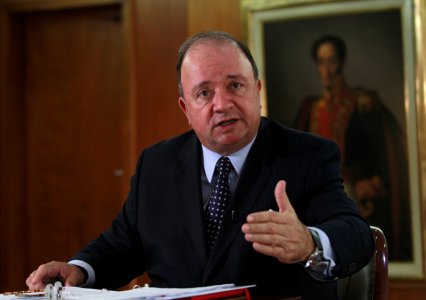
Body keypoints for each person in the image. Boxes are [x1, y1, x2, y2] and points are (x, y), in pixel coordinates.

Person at [26, 31, 374, 299]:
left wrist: (309, 244)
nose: (222, 104)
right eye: (204, 93)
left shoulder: (306, 155)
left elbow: (356, 236)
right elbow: (122, 245)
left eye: (235, 85)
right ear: (185, 108)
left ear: (257, 90)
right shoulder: (157, 164)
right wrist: (77, 270)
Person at [294, 34, 411, 260]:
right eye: (321, 62)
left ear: (342, 62)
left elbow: (388, 157)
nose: (326, 70)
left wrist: (372, 183)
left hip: (356, 199)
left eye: (332, 61)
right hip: (315, 203)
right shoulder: (309, 108)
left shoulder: (364, 104)